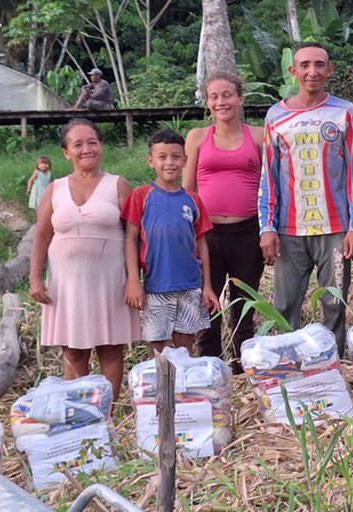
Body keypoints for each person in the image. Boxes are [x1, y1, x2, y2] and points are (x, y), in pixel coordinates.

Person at [259, 42, 353, 354]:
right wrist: (266, 227)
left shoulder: (344, 112)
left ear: (329, 70)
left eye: (319, 65)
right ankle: (288, 364)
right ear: (293, 71)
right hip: (288, 230)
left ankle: (333, 363)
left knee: (334, 302)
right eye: (305, 65)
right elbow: (268, 176)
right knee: (285, 304)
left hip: (335, 229)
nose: (312, 71)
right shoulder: (276, 115)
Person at [29, 118, 140, 400]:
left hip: (110, 281)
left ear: (101, 146)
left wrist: (134, 279)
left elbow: (134, 236)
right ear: (66, 152)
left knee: (111, 350)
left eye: (92, 142)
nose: (86, 149)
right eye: (77, 144)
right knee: (73, 352)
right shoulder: (55, 189)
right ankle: (79, 417)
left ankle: (106, 417)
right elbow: (42, 234)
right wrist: (34, 277)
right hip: (66, 285)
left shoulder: (118, 185)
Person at [183, 73, 264, 369]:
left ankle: (244, 365)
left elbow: (270, 186)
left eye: (227, 95)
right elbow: (188, 190)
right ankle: (210, 367)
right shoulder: (197, 137)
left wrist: (270, 231)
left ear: (240, 98)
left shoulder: (258, 136)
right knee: (207, 303)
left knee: (244, 303)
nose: (221, 102)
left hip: (248, 231)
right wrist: (189, 234)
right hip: (208, 235)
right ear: (207, 102)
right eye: (214, 96)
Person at [122, 130, 220, 356]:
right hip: (157, 284)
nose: (169, 163)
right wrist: (134, 281)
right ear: (151, 161)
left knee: (185, 342)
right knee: (159, 345)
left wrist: (207, 286)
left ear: (185, 160)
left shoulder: (193, 199)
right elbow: (131, 239)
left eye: (176, 157)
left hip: (190, 284)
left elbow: (202, 243)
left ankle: (184, 380)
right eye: (162, 157)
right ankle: (163, 381)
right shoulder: (141, 196)